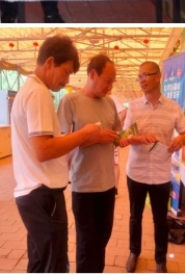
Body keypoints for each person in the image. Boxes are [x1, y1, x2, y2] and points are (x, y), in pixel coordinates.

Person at [10, 35, 101, 273]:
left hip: (34, 194)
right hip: (43, 194)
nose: (67, 80)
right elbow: (44, 150)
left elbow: (44, 145)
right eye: (66, 72)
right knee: (55, 265)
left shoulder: (30, 91)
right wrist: (83, 135)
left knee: (41, 263)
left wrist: (69, 139)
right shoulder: (38, 94)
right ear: (50, 62)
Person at [120, 61, 185, 274]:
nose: (141, 80)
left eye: (145, 75)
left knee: (160, 220)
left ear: (158, 76)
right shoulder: (134, 107)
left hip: (161, 174)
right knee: (135, 216)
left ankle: (161, 259)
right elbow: (124, 138)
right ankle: (134, 252)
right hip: (136, 172)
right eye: (139, 76)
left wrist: (182, 140)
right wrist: (139, 138)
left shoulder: (173, 108)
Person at [57, 54, 122, 273]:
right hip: (84, 186)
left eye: (113, 82)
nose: (110, 87)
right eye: (107, 80)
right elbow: (61, 143)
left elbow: (117, 133)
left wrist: (126, 138)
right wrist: (94, 137)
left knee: (103, 237)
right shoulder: (70, 102)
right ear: (92, 74)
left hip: (107, 185)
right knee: (86, 243)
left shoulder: (109, 103)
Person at [110, 93, 128, 197]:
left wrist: (114, 126)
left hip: (112, 137)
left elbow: (123, 112)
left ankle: (115, 189)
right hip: (101, 138)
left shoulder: (112, 98)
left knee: (114, 163)